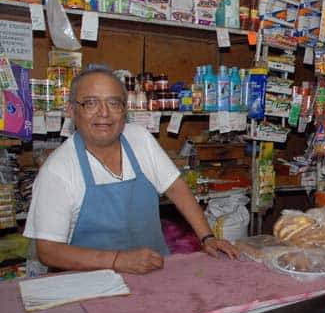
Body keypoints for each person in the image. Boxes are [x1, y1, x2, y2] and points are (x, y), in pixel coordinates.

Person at [23, 67, 239, 275]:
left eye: (114, 103)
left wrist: (207, 237)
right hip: (88, 284)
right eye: (91, 103)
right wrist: (117, 260)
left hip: (155, 272)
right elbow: (48, 251)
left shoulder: (140, 139)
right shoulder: (58, 170)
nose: (104, 113)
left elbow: (176, 187)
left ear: (125, 110)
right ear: (71, 111)